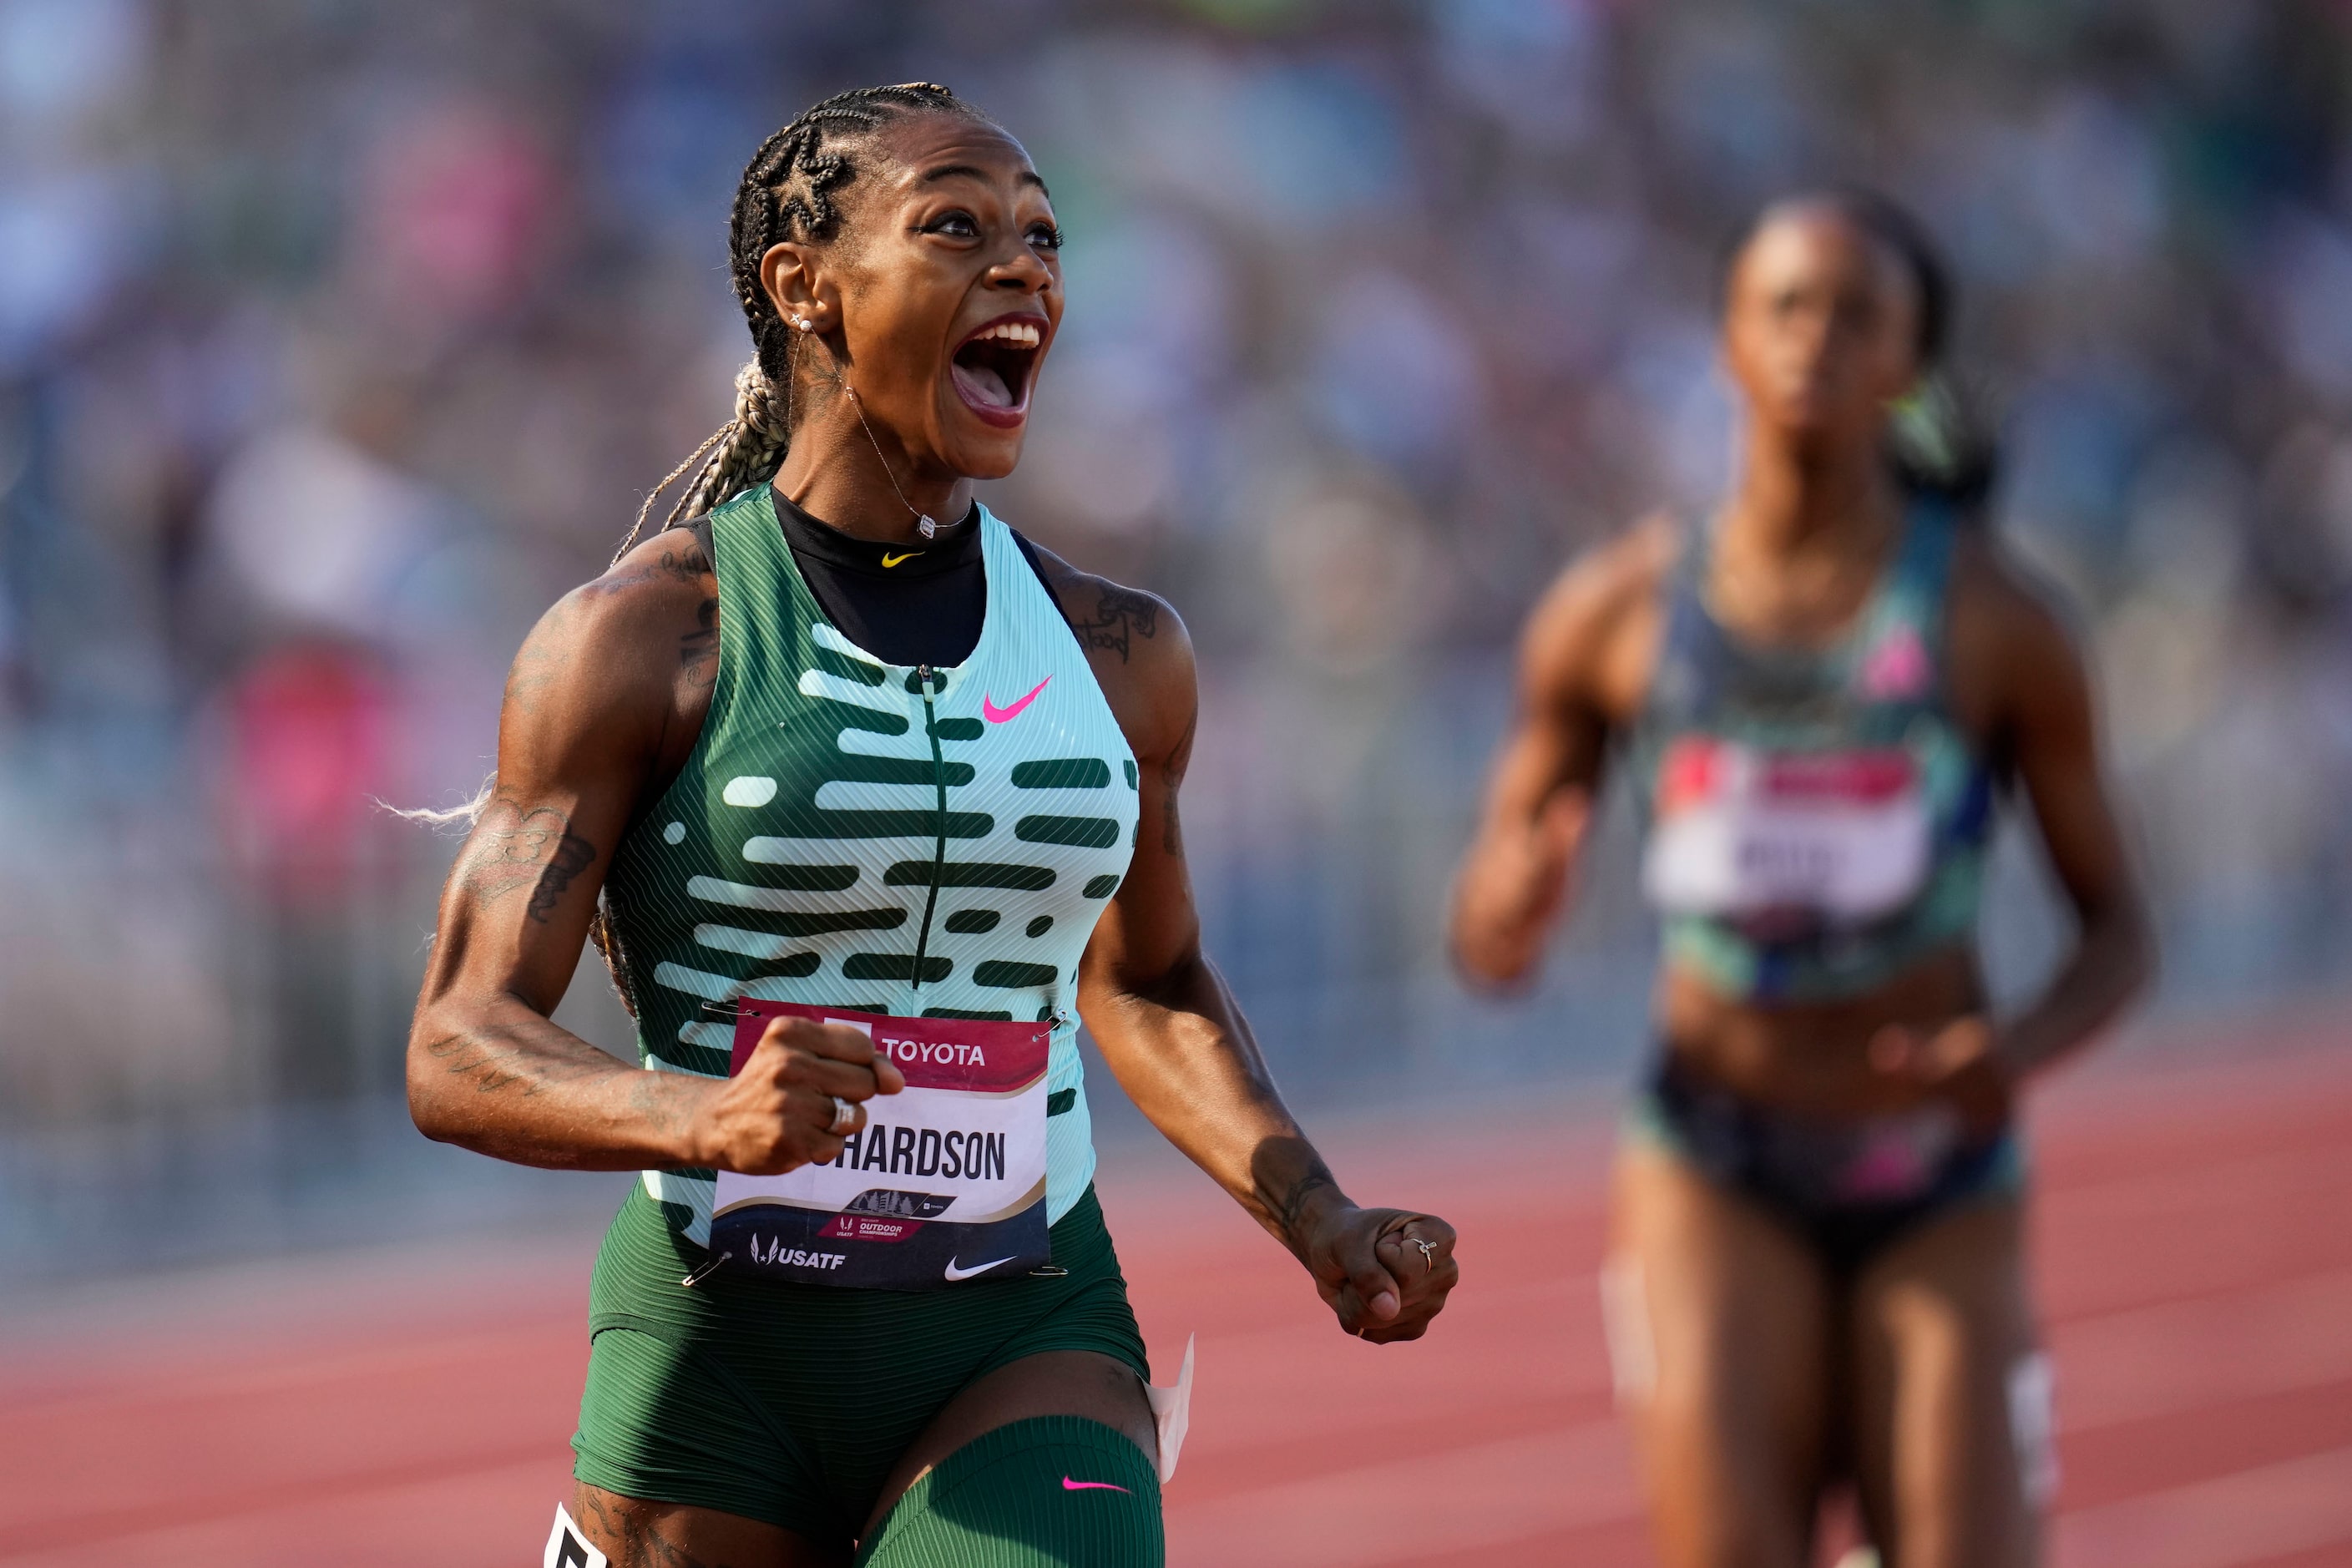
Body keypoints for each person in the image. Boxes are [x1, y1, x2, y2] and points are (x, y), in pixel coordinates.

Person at [407, 83, 1459, 1568]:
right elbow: (455, 1041)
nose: (1026, 266)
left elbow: (1146, 983)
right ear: (805, 288)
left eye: (1041, 234)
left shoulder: (1118, 652)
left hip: (1022, 1328)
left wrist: (1321, 1216)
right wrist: (700, 1114)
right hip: (717, 1350)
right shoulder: (640, 640)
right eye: (957, 225)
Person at [1449, 190, 2153, 1568]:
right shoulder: (1617, 610)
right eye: (1783, 303)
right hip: (1712, 1157)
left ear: (1908, 365)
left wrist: (2007, 1051)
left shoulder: (1996, 622)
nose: (1814, 337)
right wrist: (1511, 899)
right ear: (1725, 335)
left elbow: (2117, 927)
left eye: (1857, 315)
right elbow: (1483, 942)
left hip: (1932, 1171)